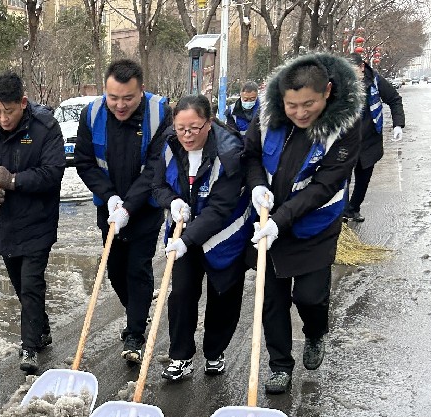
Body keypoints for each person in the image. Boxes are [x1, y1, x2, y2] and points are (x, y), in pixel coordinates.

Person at [244, 52, 363, 394]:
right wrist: (256, 187)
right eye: (291, 105)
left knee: (310, 297)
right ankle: (280, 365)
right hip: (268, 223)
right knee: (272, 300)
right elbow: (251, 155)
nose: (299, 113)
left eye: (308, 104)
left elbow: (325, 184)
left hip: (315, 225)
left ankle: (314, 332)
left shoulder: (345, 126)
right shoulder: (267, 115)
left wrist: (281, 220)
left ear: (327, 91)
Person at [0, 71, 65, 374]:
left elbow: (53, 171)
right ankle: (41, 328)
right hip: (3, 224)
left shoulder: (45, 128)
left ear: (23, 102)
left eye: (9, 111)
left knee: (32, 284)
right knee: (21, 285)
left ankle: (29, 347)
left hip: (37, 221)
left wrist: (15, 180)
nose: (3, 118)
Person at [74, 58, 169, 364]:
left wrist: (130, 206)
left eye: (127, 98)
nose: (119, 105)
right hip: (110, 207)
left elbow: (157, 167)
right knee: (115, 270)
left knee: (137, 268)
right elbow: (85, 162)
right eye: (113, 97)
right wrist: (110, 197)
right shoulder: (92, 114)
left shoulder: (158, 114)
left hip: (145, 208)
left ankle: (135, 334)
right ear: (105, 90)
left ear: (141, 90)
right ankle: (137, 314)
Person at [151, 95, 251, 380]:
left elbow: (220, 209)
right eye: (181, 128)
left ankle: (214, 351)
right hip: (184, 232)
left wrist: (186, 239)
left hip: (224, 236)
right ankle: (181, 356)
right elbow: (156, 184)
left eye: (194, 128)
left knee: (223, 296)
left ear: (209, 122)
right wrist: (171, 202)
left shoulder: (229, 151)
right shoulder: (168, 144)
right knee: (181, 293)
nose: (186, 135)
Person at [343, 53, 404, 222]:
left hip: (369, 139)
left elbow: (394, 99)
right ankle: (341, 212)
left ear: (362, 67)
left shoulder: (375, 81)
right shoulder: (341, 84)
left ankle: (353, 209)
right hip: (346, 141)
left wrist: (398, 124)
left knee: (363, 179)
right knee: (342, 180)